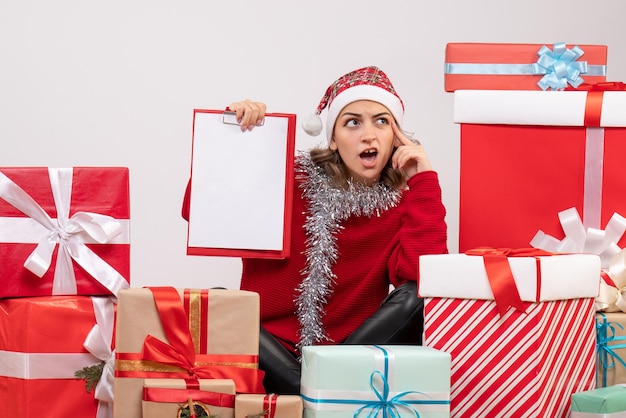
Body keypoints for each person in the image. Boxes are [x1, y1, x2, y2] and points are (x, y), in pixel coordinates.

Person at [182, 66, 448, 394]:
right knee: (218, 304)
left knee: (415, 296)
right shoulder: (287, 178)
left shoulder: (401, 205)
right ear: (333, 139)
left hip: (347, 355)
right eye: (353, 122)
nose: (369, 135)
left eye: (382, 121)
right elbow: (200, 214)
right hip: (269, 350)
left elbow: (425, 279)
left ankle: (310, 388)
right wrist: (234, 143)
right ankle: (312, 392)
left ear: (396, 135)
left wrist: (423, 180)